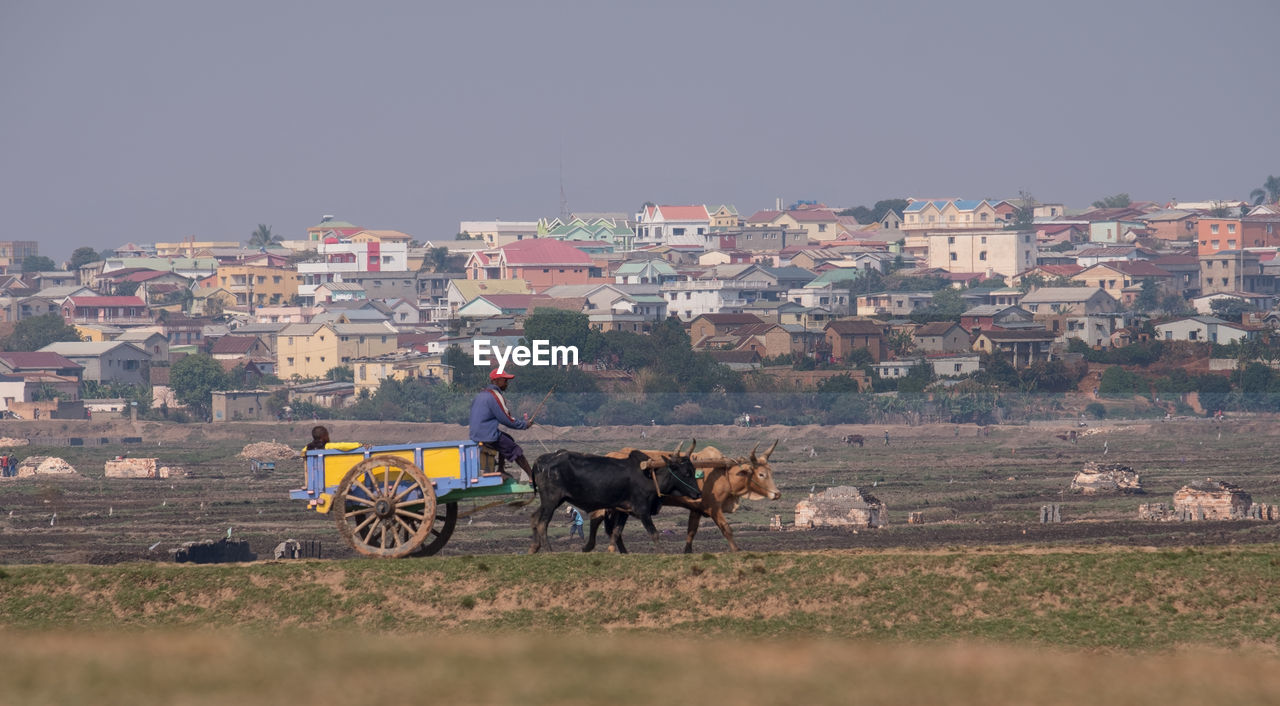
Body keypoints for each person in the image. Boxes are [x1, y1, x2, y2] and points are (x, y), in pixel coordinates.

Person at [469, 369, 533, 482]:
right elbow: (506, 419)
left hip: (476, 433)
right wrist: (524, 425)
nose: (507, 384)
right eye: (505, 380)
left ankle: (501, 469)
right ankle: (532, 477)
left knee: (508, 439)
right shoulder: (495, 396)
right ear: (496, 381)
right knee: (516, 450)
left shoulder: (481, 394)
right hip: (487, 434)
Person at [301, 425, 364, 507]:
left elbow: (302, 452)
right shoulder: (328, 447)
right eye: (327, 435)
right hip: (334, 480)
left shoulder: (307, 448)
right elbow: (343, 446)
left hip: (314, 483)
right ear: (323, 436)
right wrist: (360, 445)